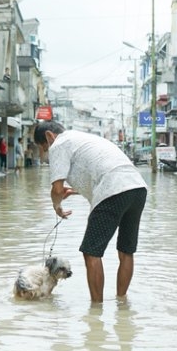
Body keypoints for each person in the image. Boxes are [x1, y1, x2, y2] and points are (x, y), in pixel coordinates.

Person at [34, 120, 148, 304]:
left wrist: (57, 206)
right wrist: (75, 191)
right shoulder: (82, 138)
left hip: (113, 189)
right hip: (137, 188)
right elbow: (103, 172)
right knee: (126, 251)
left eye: (43, 148)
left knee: (91, 252)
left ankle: (96, 309)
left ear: (49, 136)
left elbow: (57, 189)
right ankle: (122, 302)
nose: (44, 154)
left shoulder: (59, 144)